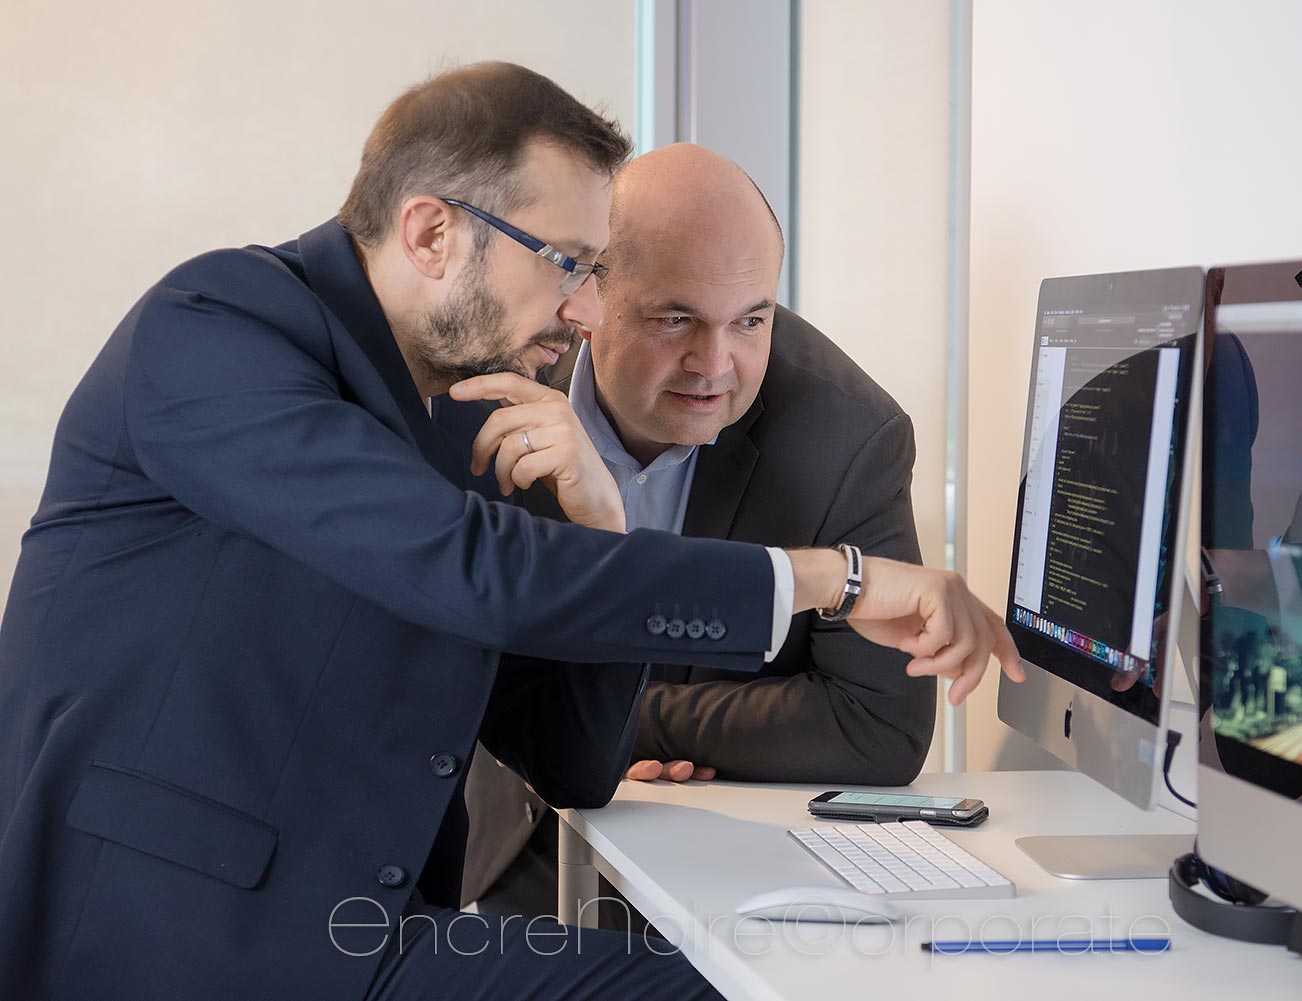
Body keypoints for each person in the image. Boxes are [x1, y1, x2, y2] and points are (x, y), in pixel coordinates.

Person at [0, 63, 1022, 1001]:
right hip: (173, 930)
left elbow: (569, 763)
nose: (586, 312)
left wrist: (603, 520)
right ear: (433, 233)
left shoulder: (462, 405)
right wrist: (828, 580)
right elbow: (471, 568)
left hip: (364, 921)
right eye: (569, 263)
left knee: (763, 975)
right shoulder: (214, 331)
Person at [461, 144, 937, 915]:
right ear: (588, 298)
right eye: (675, 318)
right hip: (494, 848)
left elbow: (879, 724)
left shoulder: (846, 436)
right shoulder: (489, 377)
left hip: (717, 873)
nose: (715, 364)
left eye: (751, 319)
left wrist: (628, 724)